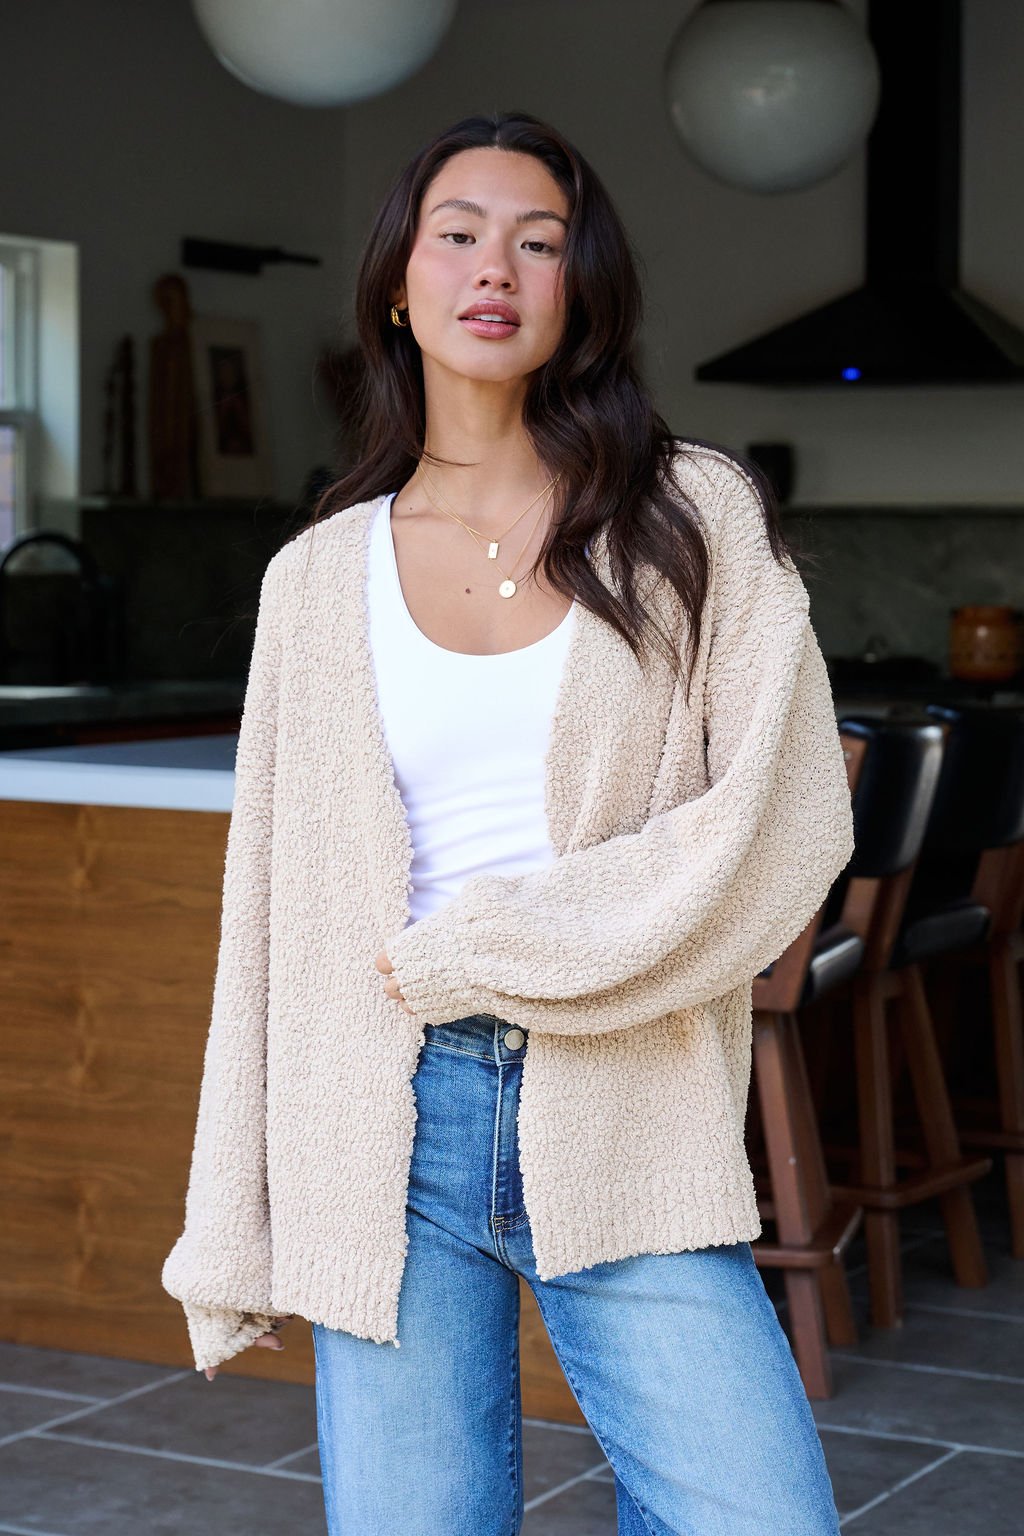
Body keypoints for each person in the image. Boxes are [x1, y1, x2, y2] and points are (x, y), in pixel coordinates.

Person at [162, 110, 855, 1535]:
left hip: (625, 1087)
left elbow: (785, 824)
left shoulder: (689, 515)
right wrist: (233, 1205)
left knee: (757, 1515)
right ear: (396, 284)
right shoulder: (314, 580)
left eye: (539, 242)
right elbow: (271, 923)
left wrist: (488, 950)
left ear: (579, 288)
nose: (498, 268)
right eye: (459, 235)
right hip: (381, 1117)